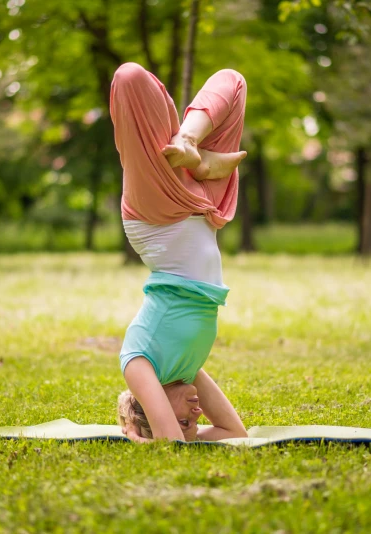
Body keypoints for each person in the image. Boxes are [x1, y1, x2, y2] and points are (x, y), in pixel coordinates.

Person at [110, 62, 249, 443]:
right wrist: (177, 427)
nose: (197, 414)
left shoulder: (139, 366)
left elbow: (171, 442)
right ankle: (194, 148)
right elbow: (234, 432)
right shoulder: (185, 368)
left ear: (146, 404)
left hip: (158, 219)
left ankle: (192, 147)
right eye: (194, 422)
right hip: (203, 204)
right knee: (233, 82)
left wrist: (138, 435)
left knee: (129, 78)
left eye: (186, 420)